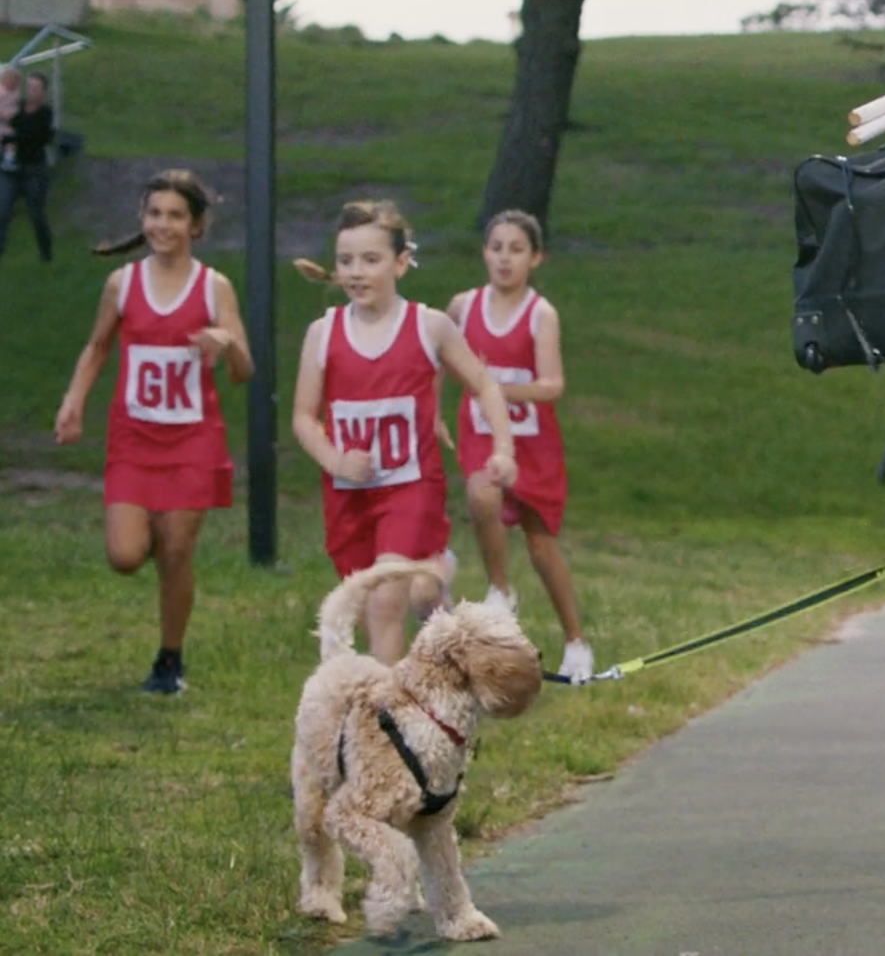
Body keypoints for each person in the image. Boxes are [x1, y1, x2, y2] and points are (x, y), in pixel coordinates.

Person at [52, 170, 254, 694]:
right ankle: (146, 533)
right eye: (155, 214)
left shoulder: (213, 287)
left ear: (196, 225)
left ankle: (169, 659)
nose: (163, 225)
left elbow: (243, 371)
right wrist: (73, 402)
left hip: (192, 441)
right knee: (124, 555)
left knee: (177, 550)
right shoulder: (122, 283)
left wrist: (226, 343)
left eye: (175, 216)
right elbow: (98, 346)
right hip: (134, 440)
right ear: (142, 219)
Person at [290, 200, 517, 664]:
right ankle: (438, 608)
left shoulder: (428, 326)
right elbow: (302, 418)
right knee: (369, 606)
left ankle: (387, 707)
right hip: (349, 495)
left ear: (399, 263)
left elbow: (484, 386)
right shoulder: (322, 333)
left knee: (384, 603)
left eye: (370, 260)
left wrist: (503, 450)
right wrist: (335, 460)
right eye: (346, 260)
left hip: (410, 490)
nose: (356, 272)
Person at [444, 210, 593, 684]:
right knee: (481, 492)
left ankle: (576, 641)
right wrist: (430, 413)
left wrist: (497, 389)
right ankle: (499, 588)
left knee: (541, 547)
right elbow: (434, 360)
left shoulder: (540, 314)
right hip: (482, 437)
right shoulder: (463, 308)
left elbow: (552, 385)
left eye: (516, 249)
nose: (504, 259)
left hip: (532, 445)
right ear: (483, 253)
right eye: (496, 248)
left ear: (536, 258)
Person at [1, 71, 57, 263]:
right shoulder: (17, 108)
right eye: (29, 86)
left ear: (43, 92)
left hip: (34, 169)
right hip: (12, 169)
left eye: (35, 88)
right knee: (2, 211)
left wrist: (12, 136)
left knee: (36, 214)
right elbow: (9, 132)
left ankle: (45, 254)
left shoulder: (45, 114)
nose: (31, 91)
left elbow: (37, 137)